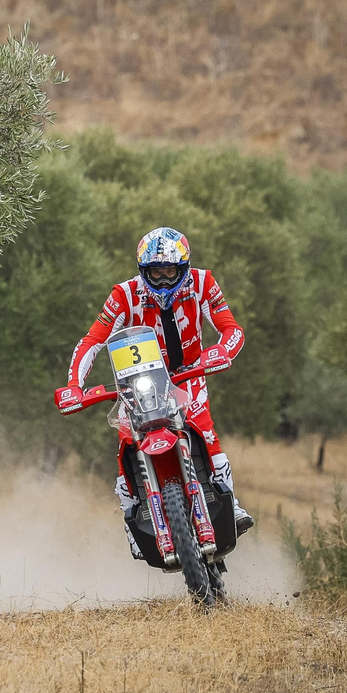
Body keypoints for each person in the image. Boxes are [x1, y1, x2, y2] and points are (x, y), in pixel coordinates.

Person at [59, 227, 254, 558]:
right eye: (155, 272)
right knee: (125, 449)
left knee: (206, 435)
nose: (163, 280)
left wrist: (221, 352)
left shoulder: (204, 283)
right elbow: (92, 340)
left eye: (170, 271)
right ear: (142, 270)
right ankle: (132, 523)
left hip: (189, 375)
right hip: (137, 382)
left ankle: (229, 503)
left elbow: (231, 329)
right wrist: (74, 386)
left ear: (184, 268)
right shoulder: (124, 294)